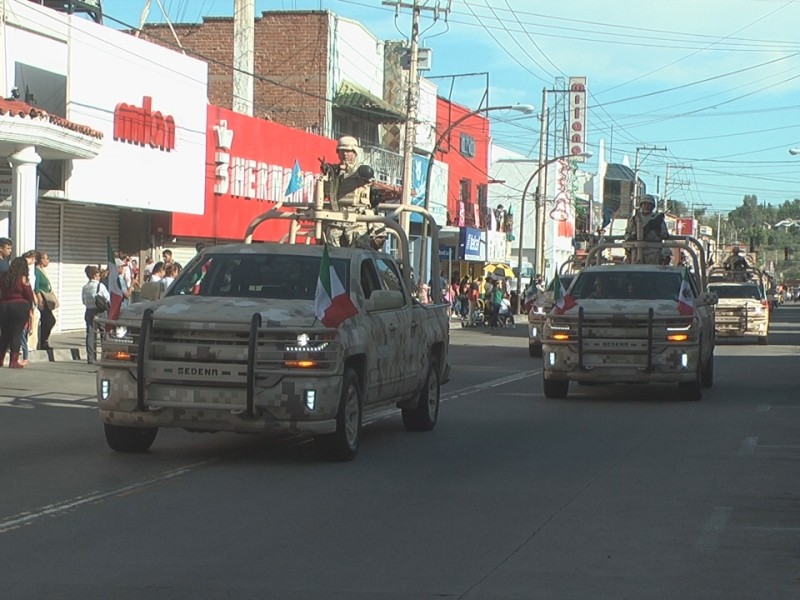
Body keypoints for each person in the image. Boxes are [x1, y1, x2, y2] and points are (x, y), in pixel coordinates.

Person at [322, 135, 375, 247]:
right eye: (342, 151)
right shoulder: (333, 171)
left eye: (348, 151)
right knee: (330, 251)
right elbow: (324, 191)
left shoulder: (361, 170)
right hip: (336, 217)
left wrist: (347, 169)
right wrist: (329, 171)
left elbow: (367, 173)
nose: (345, 154)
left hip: (356, 218)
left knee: (359, 252)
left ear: (355, 152)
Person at [0, 257, 35, 368]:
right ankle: (13, 361)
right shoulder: (23, 278)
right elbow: (29, 295)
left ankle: (0, 359)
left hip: (4, 306)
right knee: (16, 334)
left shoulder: (4, 277)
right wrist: (30, 308)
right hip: (20, 306)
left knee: (4, 334)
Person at [624, 195, 669, 264]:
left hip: (653, 250)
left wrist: (657, 228)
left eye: (649, 204)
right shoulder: (635, 219)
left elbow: (665, 235)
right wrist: (631, 238)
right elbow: (627, 234)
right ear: (641, 205)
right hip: (636, 250)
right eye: (644, 204)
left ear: (653, 206)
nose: (646, 206)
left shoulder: (657, 219)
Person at [81, 265, 110, 364]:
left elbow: (84, 301)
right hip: (100, 311)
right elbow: (107, 298)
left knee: (90, 334)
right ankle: (104, 356)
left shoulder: (85, 287)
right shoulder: (100, 286)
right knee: (104, 334)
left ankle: (91, 357)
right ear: (94, 276)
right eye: (98, 275)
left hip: (89, 311)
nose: (99, 277)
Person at [34, 251, 57, 351]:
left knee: (49, 321)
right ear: (41, 260)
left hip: (47, 300)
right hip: (42, 300)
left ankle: (44, 341)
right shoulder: (37, 271)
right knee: (49, 321)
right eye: (46, 259)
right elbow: (36, 287)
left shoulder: (42, 270)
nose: (48, 261)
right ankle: (43, 342)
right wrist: (40, 300)